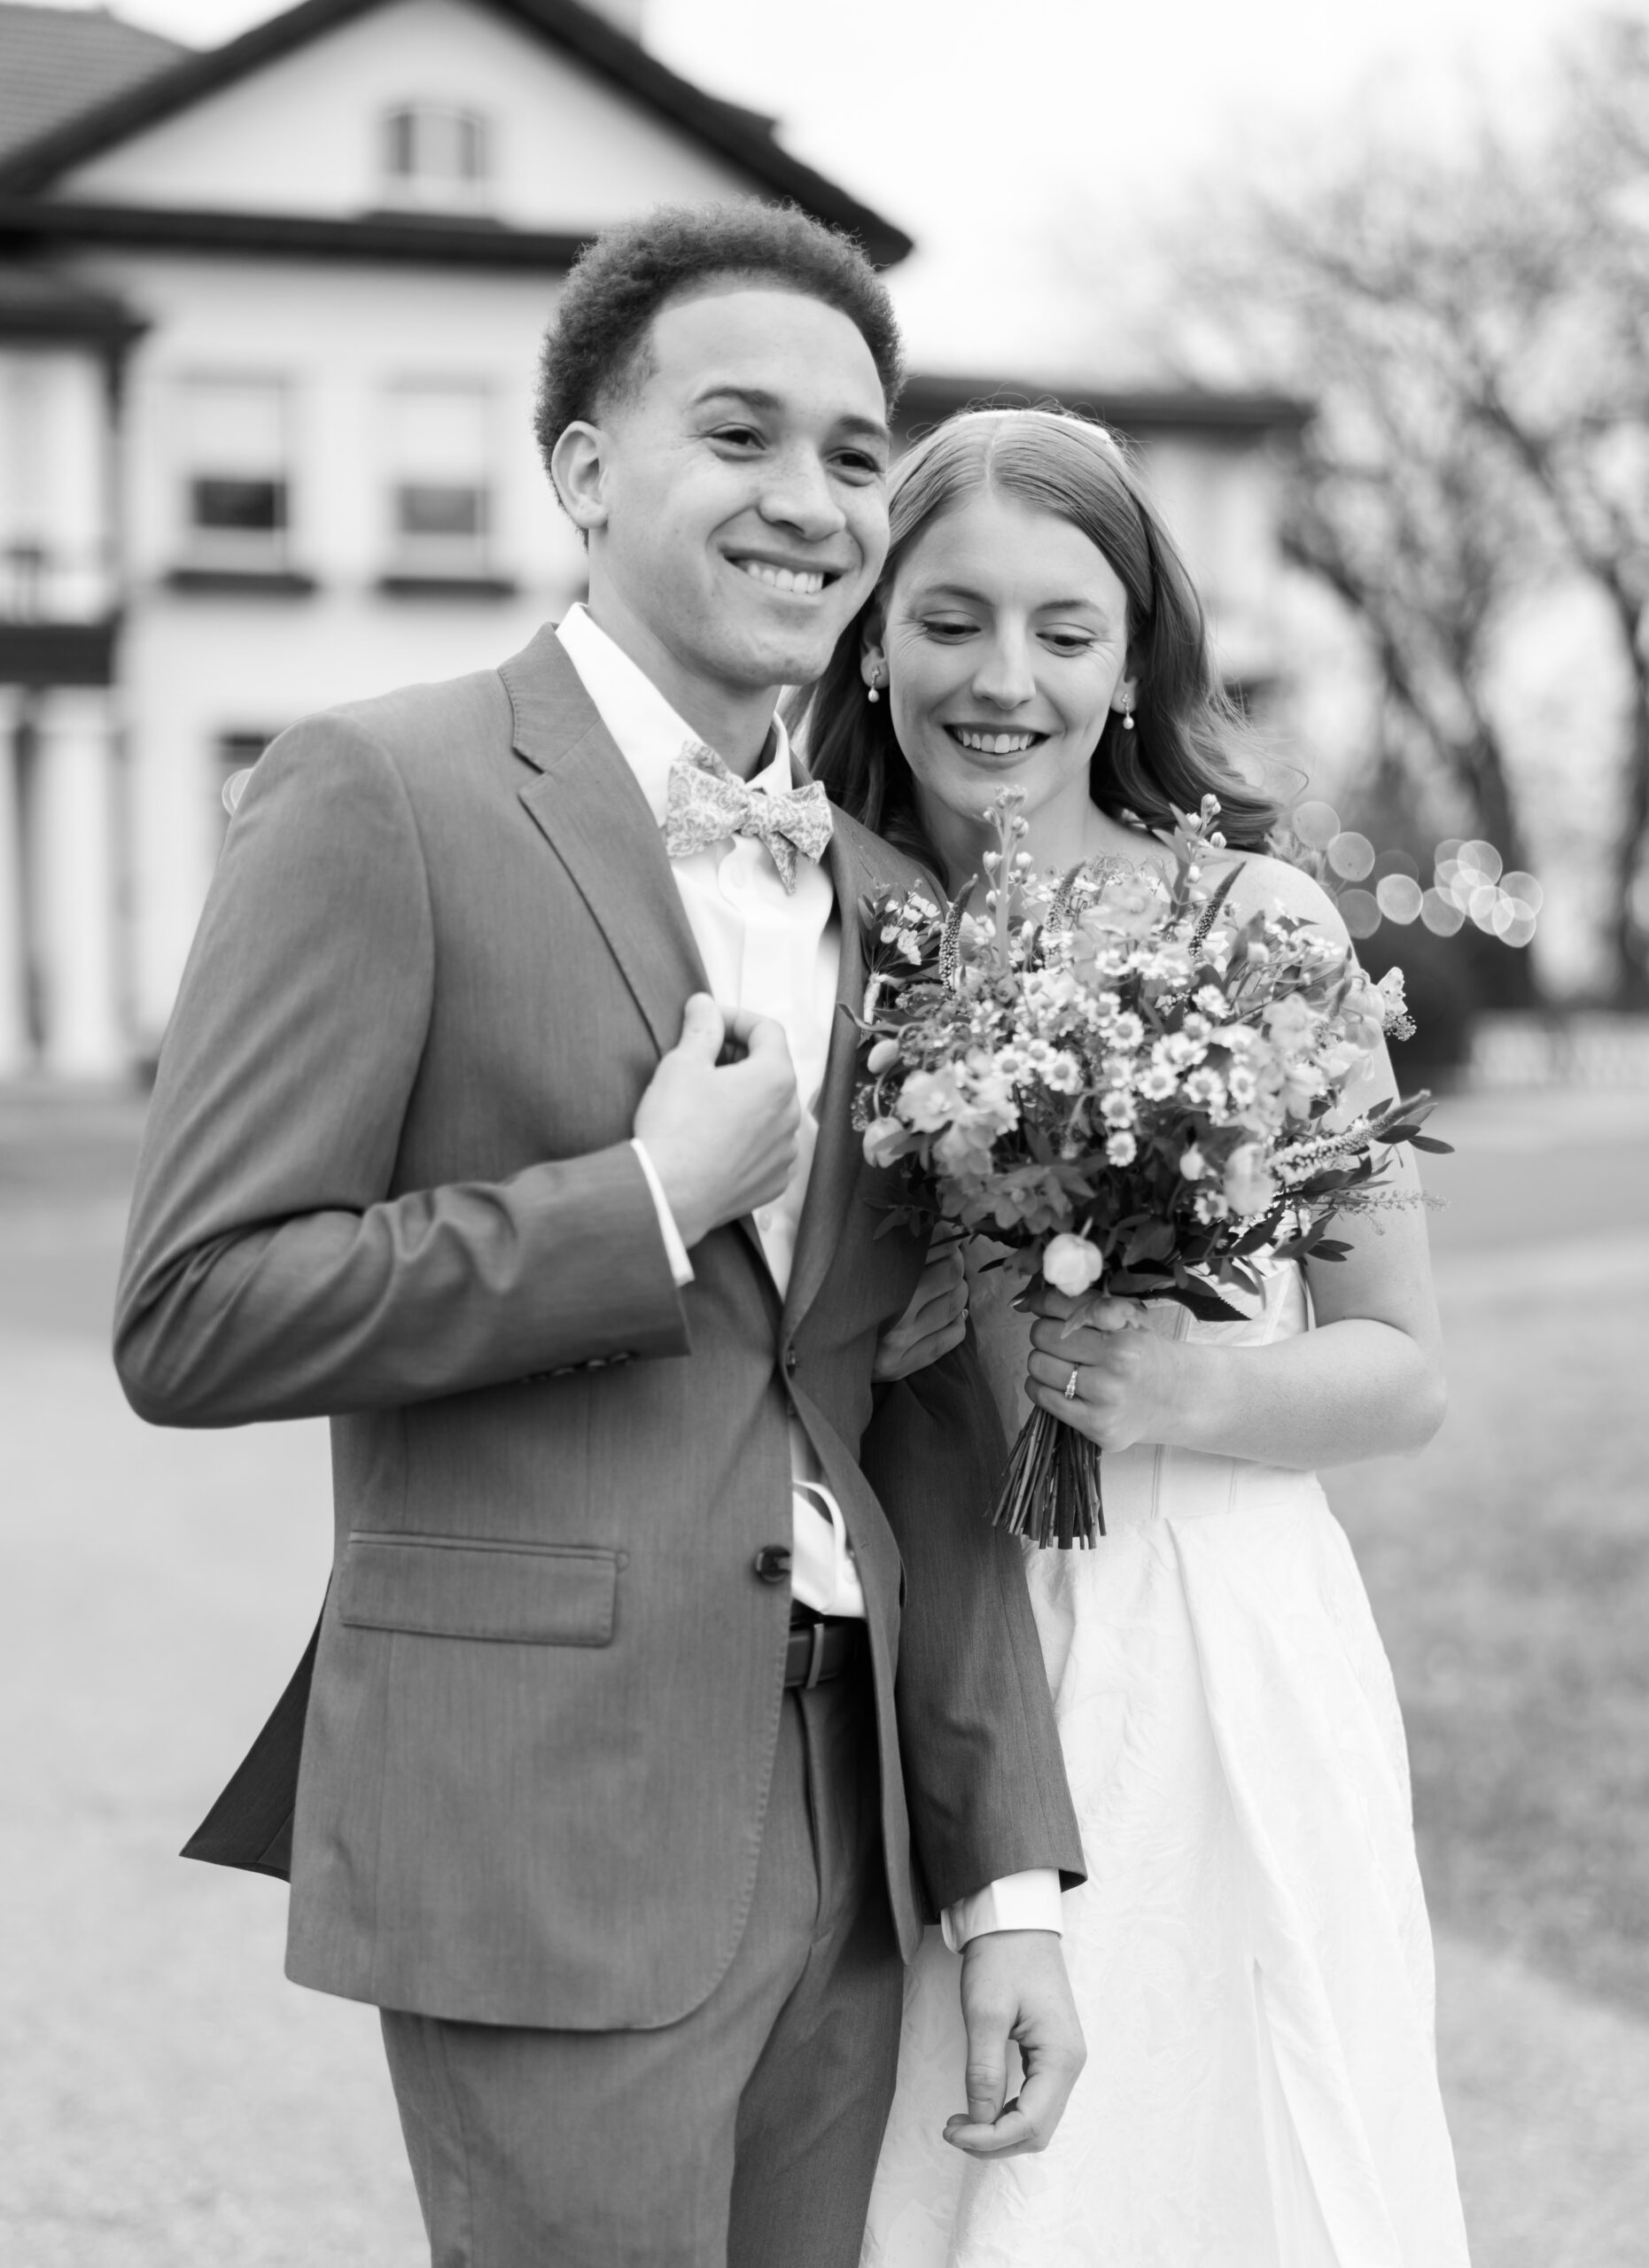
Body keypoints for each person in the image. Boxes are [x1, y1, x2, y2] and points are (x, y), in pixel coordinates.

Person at [113, 214, 1090, 2268]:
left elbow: (913, 1413)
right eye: (741, 434)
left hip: (848, 1822)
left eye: (852, 453)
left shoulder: (900, 897)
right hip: (543, 1814)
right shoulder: (378, 792)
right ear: (580, 469)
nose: (813, 503)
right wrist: (643, 1200)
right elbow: (193, 1313)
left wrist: (1003, 1887)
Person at [801, 407, 1472, 2267]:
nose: (1001, 678)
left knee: (1230, 2161)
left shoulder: (1256, 922)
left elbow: (1402, 1365)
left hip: (1218, 1635)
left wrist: (1207, 1385)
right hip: (936, 1654)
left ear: (1127, 665)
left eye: (1063, 630)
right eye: (947, 618)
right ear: (869, 630)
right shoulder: (817, 924)